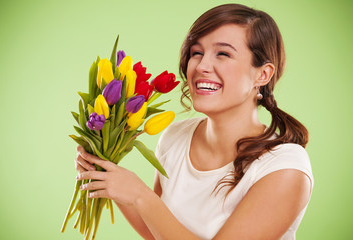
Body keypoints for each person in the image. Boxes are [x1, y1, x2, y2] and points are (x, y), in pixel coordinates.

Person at [75, 3, 314, 240]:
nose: (201, 66)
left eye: (223, 54)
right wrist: (110, 181)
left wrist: (140, 195)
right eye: (196, 53)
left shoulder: (284, 167)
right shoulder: (175, 137)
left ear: (262, 74)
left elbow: (150, 207)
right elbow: (158, 232)